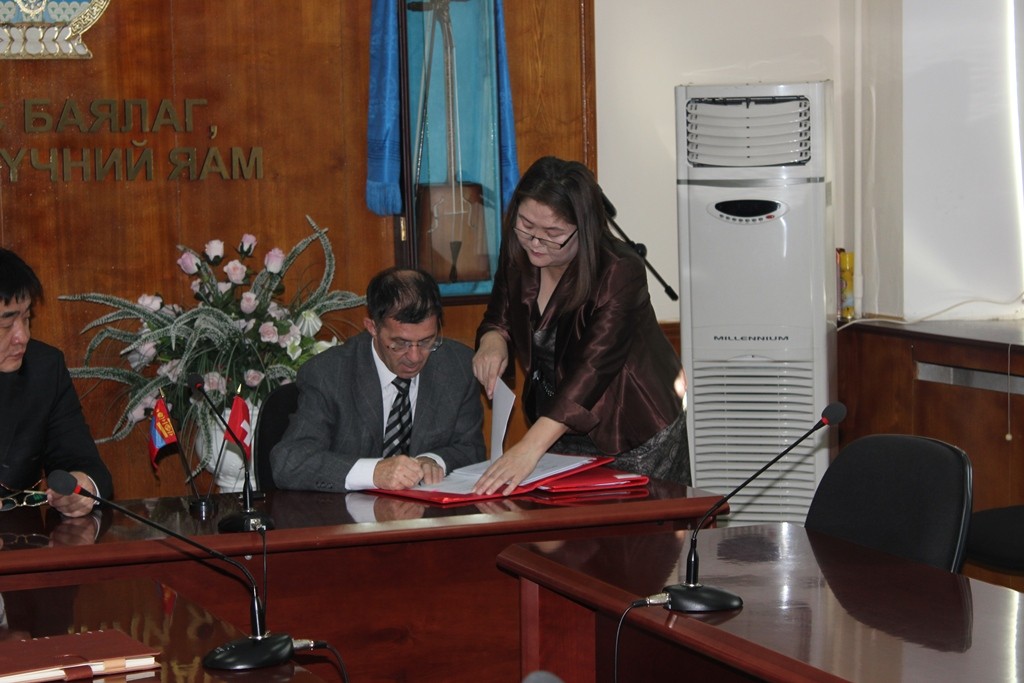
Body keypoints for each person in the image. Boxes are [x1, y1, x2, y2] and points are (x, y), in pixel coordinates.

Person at [472, 156, 690, 495]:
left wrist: (529, 447)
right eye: (526, 224)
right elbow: (500, 313)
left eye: (553, 233)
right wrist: (492, 340)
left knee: (640, 524)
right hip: (557, 423)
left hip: (630, 426)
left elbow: (593, 369)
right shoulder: (519, 245)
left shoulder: (619, 271)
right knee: (569, 522)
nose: (535, 242)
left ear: (584, 228)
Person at [270, 267, 485, 491]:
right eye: (400, 343)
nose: (415, 356)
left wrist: (433, 460)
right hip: (345, 511)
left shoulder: (458, 367)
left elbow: (472, 449)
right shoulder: (329, 373)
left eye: (426, 341)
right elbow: (290, 461)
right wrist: (374, 472)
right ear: (372, 327)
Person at [0, 248, 113, 517]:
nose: (22, 337)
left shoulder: (43, 369)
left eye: (26, 319)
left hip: (19, 540)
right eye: (6, 325)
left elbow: (82, 462)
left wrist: (83, 486)